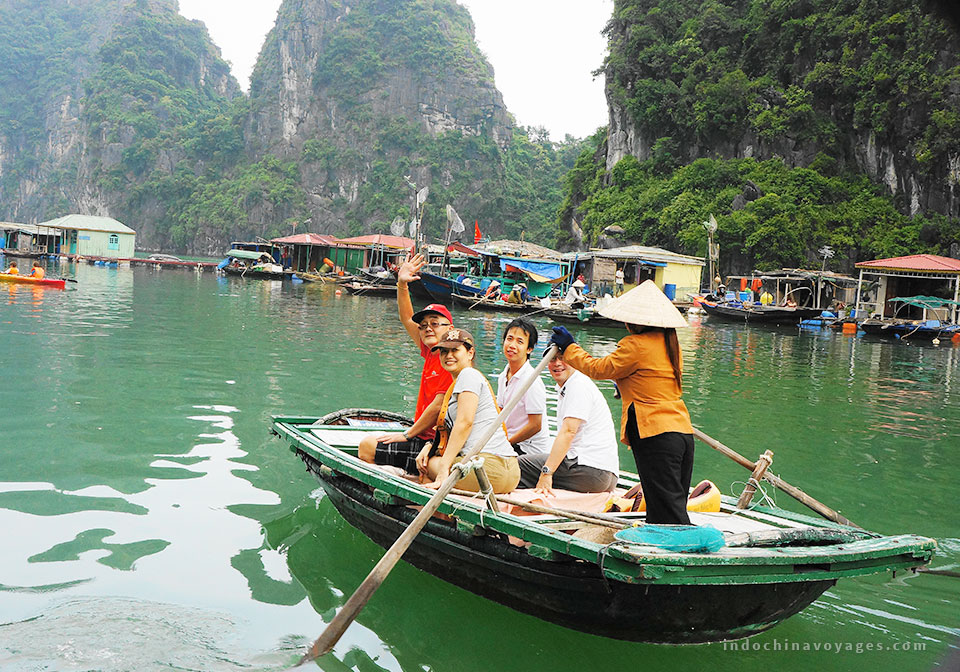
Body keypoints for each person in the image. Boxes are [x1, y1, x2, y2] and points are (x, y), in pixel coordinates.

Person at [548, 280, 695, 525]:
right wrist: (624, 383)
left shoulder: (635, 345)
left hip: (653, 431)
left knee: (663, 509)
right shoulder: (671, 345)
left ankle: (671, 554)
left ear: (634, 322)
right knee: (672, 505)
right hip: (681, 431)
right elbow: (649, 378)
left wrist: (570, 347)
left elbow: (596, 368)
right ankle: (671, 547)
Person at [358, 253, 454, 474]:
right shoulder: (432, 352)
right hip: (423, 435)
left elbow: (438, 407)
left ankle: (400, 483)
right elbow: (406, 318)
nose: (427, 328)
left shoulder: (450, 358)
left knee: (367, 447)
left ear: (450, 328)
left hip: (434, 442)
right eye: (424, 325)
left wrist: (408, 434)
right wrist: (401, 284)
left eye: (435, 324)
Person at [416, 328, 520, 493]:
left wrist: (443, 468)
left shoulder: (468, 375)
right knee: (429, 458)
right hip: (509, 472)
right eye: (444, 351)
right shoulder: (461, 382)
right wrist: (429, 445)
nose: (448, 355)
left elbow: (465, 423)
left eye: (455, 350)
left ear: (470, 353)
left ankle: (437, 510)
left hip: (487, 470)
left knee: (429, 464)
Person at [517, 357, 619, 494]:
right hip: (605, 474)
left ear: (574, 361)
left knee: (514, 467)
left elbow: (569, 432)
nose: (557, 363)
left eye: (563, 359)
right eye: (552, 359)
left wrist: (546, 472)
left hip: (591, 471)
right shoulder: (570, 386)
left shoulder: (578, 385)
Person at [496, 318, 550, 456]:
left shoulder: (531, 380)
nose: (512, 345)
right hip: (510, 442)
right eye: (509, 339)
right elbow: (500, 412)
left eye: (520, 342)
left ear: (529, 349)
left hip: (528, 449)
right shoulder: (504, 375)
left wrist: (506, 443)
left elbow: (535, 425)